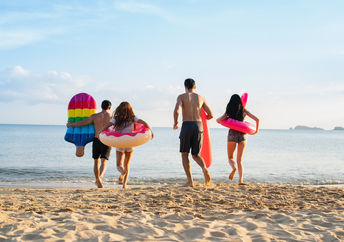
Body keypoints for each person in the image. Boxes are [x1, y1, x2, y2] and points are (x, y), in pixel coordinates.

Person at [102, 101, 153, 189]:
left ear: (119, 109)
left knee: (119, 165)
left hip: (120, 143)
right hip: (130, 142)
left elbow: (107, 125)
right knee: (127, 165)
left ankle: (122, 172)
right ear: (130, 109)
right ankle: (124, 184)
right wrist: (151, 131)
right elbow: (143, 122)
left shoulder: (116, 118)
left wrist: (100, 132)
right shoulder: (133, 117)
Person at [173, 78, 213, 187]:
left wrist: (175, 122)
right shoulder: (201, 98)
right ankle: (204, 168)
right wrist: (204, 118)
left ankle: (190, 181)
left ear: (185, 86)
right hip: (198, 126)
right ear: (194, 87)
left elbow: (176, 110)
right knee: (196, 154)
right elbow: (211, 114)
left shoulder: (181, 97)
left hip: (186, 125)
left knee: (184, 154)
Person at [67, 100, 112, 188]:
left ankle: (97, 179)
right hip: (106, 140)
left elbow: (83, 122)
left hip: (96, 139)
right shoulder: (112, 117)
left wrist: (71, 124)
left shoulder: (95, 116)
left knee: (96, 161)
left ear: (101, 106)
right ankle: (100, 178)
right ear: (109, 107)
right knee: (104, 161)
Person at [216, 94, 259, 185]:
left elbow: (219, 120)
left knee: (230, 157)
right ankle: (240, 180)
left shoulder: (229, 111)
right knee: (239, 160)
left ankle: (233, 168)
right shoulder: (244, 110)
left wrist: (218, 120)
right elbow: (257, 119)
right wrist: (256, 131)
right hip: (243, 135)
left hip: (232, 134)